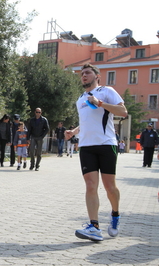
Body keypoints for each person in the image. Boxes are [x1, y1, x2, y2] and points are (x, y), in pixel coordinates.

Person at [65, 63, 128, 241]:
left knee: (109, 187)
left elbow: (123, 112)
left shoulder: (107, 91)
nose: (83, 76)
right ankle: (94, 226)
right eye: (82, 74)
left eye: (87, 73)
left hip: (106, 144)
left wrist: (100, 103)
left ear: (97, 76)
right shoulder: (80, 99)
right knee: (91, 186)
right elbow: (86, 122)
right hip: (86, 147)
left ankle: (115, 214)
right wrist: (74, 132)